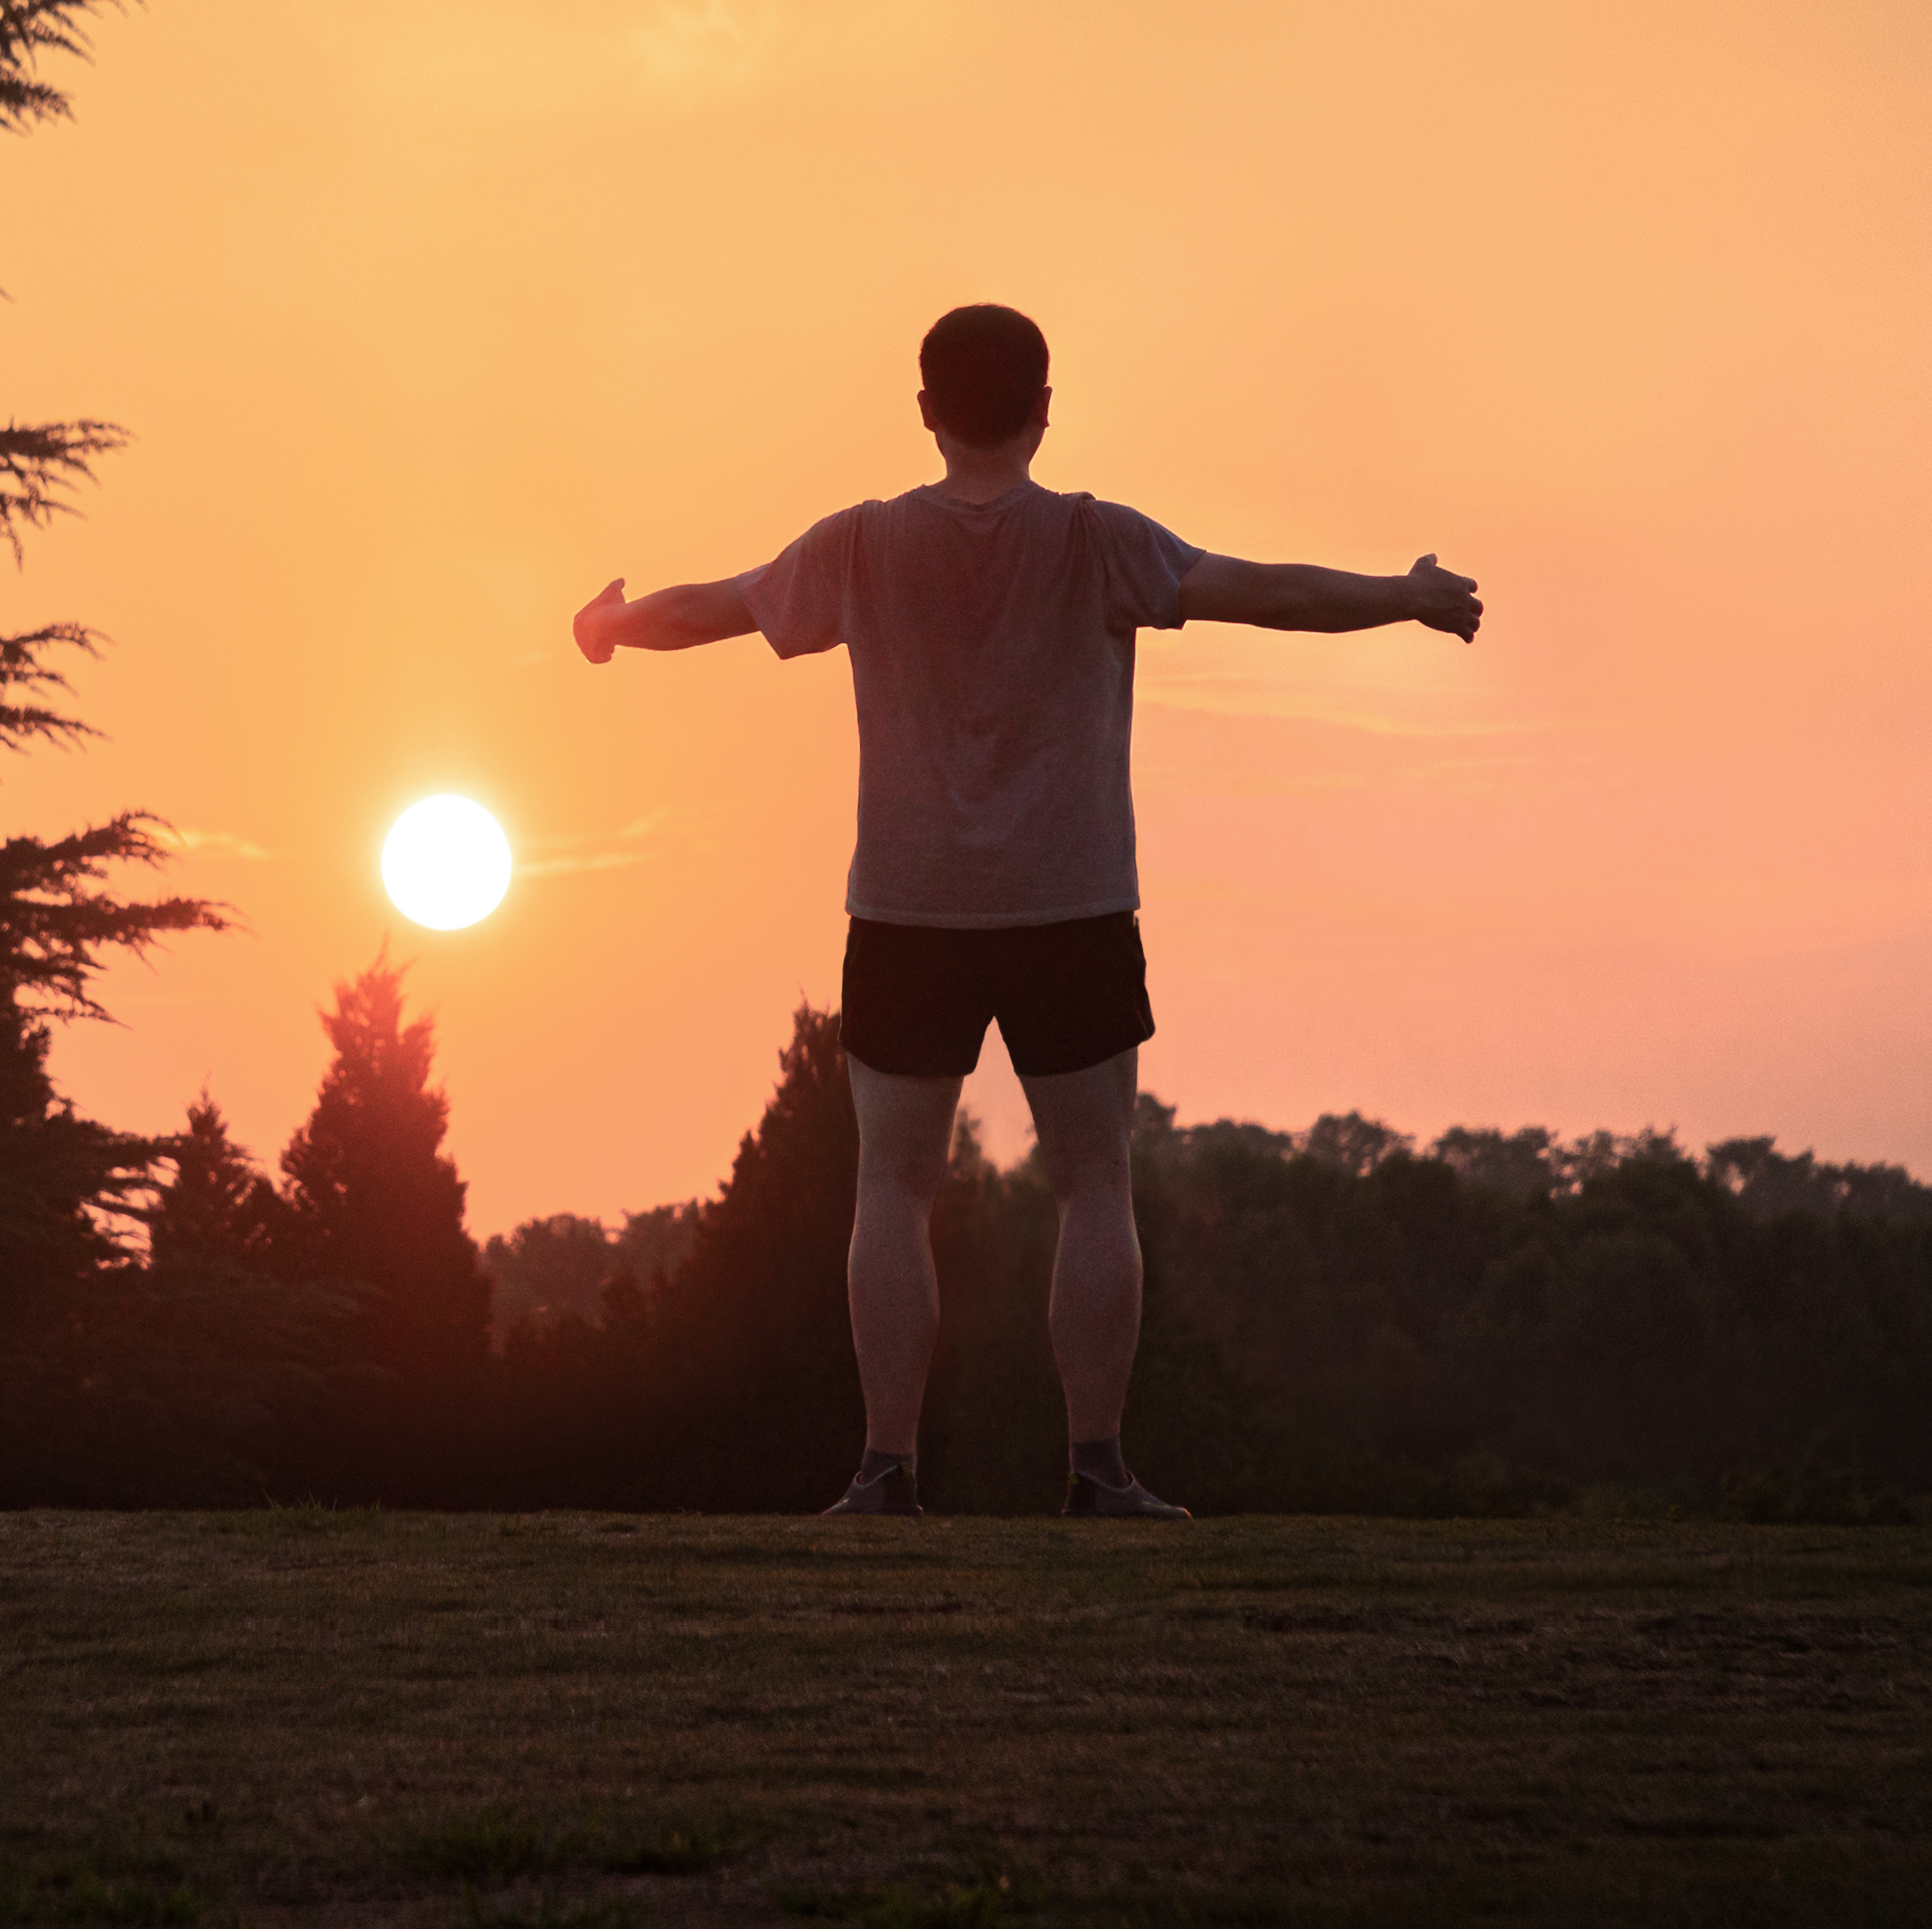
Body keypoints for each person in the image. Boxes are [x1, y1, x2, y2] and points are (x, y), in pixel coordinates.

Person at [571, 302, 1480, 1519]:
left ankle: (886, 1471)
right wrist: (1404, 595)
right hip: (1072, 906)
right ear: (1045, 410)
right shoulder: (1099, 540)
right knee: (1095, 1182)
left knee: (891, 1189)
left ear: (928, 412)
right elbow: (1261, 592)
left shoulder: (861, 545)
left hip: (906, 911)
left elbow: (720, 607)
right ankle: (1097, 1471)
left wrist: (613, 624)